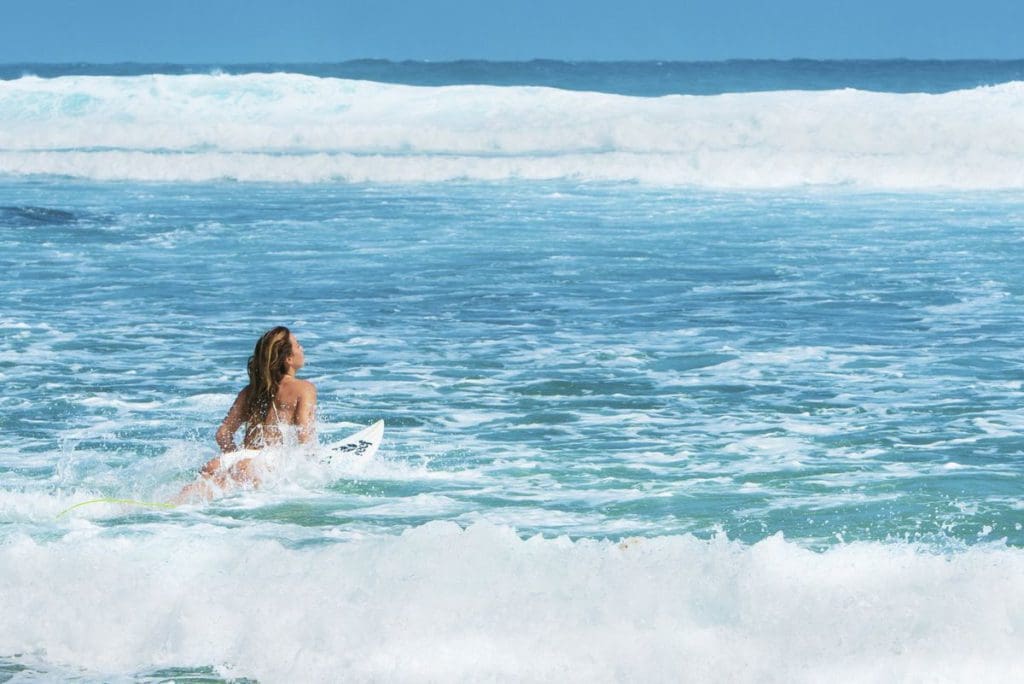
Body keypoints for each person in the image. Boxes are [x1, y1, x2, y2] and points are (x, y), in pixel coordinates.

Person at [173, 326, 317, 502]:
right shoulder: (304, 388)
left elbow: (222, 434)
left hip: (241, 456)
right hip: (269, 460)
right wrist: (311, 467)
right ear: (288, 358)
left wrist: (234, 455)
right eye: (298, 345)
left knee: (209, 478)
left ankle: (167, 503)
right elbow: (305, 436)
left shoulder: (250, 391)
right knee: (235, 478)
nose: (302, 349)